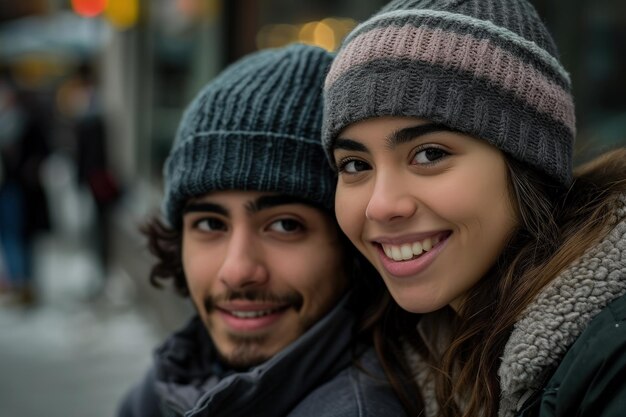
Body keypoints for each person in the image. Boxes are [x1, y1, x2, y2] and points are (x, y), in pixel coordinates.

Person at [321, 0, 626, 416]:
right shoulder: (416, 359)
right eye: (355, 165)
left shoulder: (610, 360)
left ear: (528, 163)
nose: (381, 205)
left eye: (429, 155)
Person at [117, 44, 407, 417]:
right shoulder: (163, 388)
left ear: (352, 249)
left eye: (285, 226)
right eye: (210, 224)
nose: (237, 271)